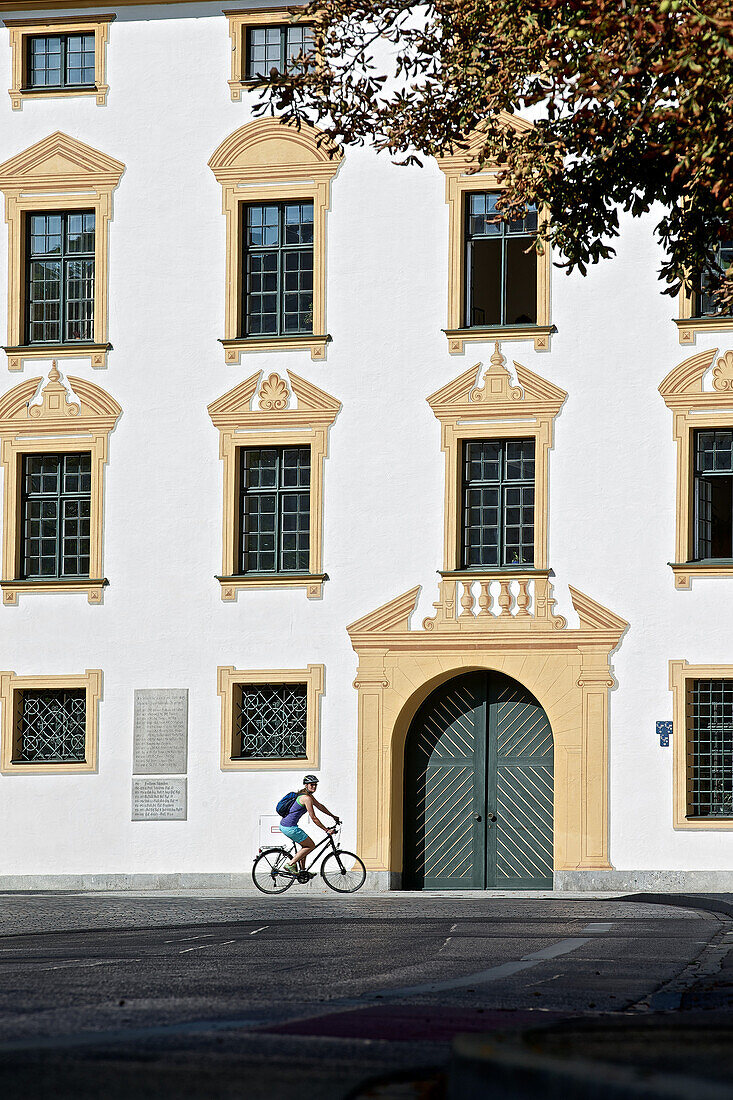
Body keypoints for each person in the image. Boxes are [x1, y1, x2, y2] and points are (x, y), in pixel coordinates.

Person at [280, 774, 340, 876]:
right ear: (306, 785)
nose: (314, 787)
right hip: (289, 827)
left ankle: (302, 872)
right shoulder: (306, 798)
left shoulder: (308, 796)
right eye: (311, 785)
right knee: (310, 845)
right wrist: (326, 830)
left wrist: (333, 816)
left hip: (288, 826)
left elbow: (320, 806)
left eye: (315, 785)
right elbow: (314, 818)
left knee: (305, 847)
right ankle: (290, 864)